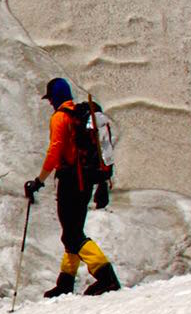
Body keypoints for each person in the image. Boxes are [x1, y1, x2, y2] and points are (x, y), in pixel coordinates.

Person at [24, 77, 120, 297]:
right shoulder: (79, 116)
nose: (49, 103)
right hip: (85, 181)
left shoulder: (60, 118)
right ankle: (66, 282)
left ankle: (106, 277)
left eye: (50, 99)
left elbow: (55, 151)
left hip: (70, 179)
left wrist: (39, 180)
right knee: (73, 230)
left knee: (72, 234)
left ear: (55, 97)